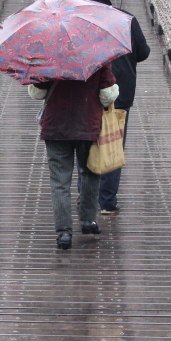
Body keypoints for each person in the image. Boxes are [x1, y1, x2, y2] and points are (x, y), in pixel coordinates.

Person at [79, 0, 151, 214]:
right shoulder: (126, 19)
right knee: (112, 145)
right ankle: (107, 202)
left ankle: (85, 197)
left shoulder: (78, 20)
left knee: (86, 145)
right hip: (119, 93)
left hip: (85, 92)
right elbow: (144, 53)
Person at [30, 66, 119, 249]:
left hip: (56, 126)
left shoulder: (49, 58)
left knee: (59, 181)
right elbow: (107, 96)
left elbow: (37, 93)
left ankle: (63, 232)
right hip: (87, 124)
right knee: (90, 172)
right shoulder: (97, 56)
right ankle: (87, 220)